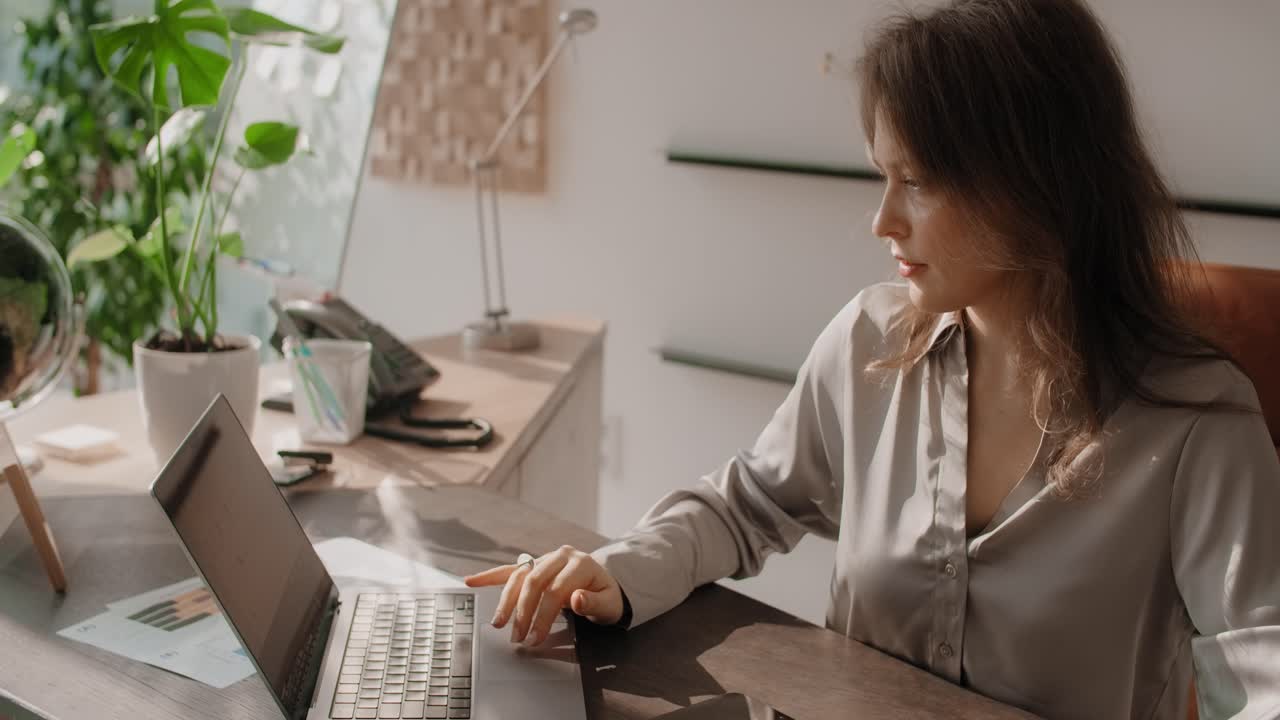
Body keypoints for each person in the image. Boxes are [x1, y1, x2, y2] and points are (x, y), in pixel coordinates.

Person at [464, 1, 1280, 717]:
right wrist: (615, 574)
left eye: (916, 181)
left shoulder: (1197, 425)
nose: (884, 220)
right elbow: (746, 504)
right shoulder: (870, 338)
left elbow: (1264, 674)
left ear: (1036, 184)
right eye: (882, 177)